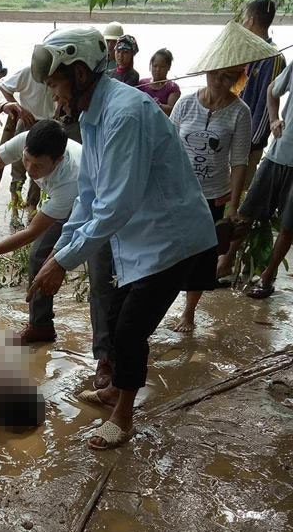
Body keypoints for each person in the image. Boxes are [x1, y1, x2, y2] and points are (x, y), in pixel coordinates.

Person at [28, 27, 217, 449]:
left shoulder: (125, 114)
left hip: (173, 239)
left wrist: (62, 263)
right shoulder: (94, 116)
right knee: (113, 316)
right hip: (140, 238)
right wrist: (59, 252)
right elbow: (89, 196)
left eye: (57, 85)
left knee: (131, 331)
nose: (55, 98)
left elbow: (113, 208)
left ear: (79, 74)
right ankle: (115, 388)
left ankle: (124, 417)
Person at [170, 22, 259, 332]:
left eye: (229, 77)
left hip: (213, 196)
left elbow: (238, 163)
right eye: (216, 74)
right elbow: (169, 148)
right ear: (206, 71)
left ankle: (189, 311)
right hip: (178, 193)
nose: (221, 82)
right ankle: (159, 303)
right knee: (168, 252)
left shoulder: (240, 112)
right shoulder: (184, 103)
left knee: (201, 256)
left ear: (238, 80)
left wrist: (234, 205)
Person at [0, 120, 82, 344]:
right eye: (26, 160)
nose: (29, 168)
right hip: (63, 202)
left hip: (89, 207)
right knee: (38, 257)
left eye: (37, 166)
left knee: (91, 270)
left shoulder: (71, 178)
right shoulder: (27, 141)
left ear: (59, 161)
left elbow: (31, 232)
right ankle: (41, 326)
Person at [218, 39, 292, 299]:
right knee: (247, 212)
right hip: (278, 154)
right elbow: (273, 89)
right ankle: (224, 264)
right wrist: (273, 120)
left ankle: (267, 275)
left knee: (289, 226)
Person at [0, 63, 59, 227]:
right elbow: (5, 87)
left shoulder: (56, 73)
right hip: (26, 122)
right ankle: (15, 211)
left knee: (40, 170)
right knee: (18, 166)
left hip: (46, 124)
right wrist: (20, 110)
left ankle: (32, 209)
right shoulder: (28, 72)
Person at [240, 0, 287, 186]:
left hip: (250, 139)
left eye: (244, 19)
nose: (243, 24)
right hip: (236, 133)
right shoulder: (250, 52)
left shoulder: (272, 57)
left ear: (251, 20)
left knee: (241, 187)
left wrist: (253, 141)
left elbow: (266, 104)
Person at [137, 48, 181, 115]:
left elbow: (173, 110)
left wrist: (158, 105)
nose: (158, 69)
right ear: (150, 66)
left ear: (168, 67)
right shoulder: (142, 84)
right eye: (155, 66)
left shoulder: (172, 87)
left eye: (162, 67)